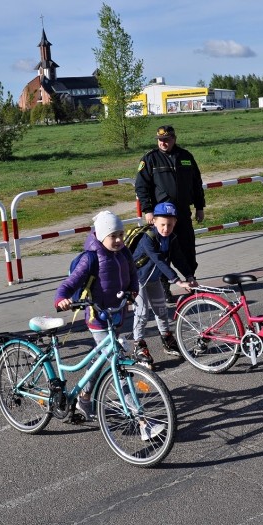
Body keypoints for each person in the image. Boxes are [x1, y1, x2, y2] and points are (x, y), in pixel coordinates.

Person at [55, 211, 139, 420]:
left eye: (121, 234)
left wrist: (133, 291)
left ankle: (84, 397)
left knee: (100, 361)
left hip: (117, 314)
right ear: (101, 236)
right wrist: (61, 298)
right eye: (113, 236)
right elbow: (70, 283)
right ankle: (140, 417)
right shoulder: (90, 258)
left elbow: (133, 275)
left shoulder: (124, 253)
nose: (119, 239)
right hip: (97, 317)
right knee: (116, 362)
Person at [134, 125, 205, 303]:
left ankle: (190, 281)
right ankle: (164, 287)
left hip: (182, 212)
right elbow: (141, 187)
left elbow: (196, 183)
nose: (163, 143)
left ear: (174, 139)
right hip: (161, 216)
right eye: (160, 140)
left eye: (166, 139)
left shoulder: (186, 157)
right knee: (162, 252)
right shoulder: (150, 159)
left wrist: (199, 206)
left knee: (187, 248)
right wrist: (148, 210)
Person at [130, 202, 197, 366]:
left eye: (169, 224)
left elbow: (178, 258)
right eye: (162, 224)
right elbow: (159, 261)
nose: (166, 228)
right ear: (154, 221)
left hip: (153, 279)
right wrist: (177, 281)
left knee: (161, 310)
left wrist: (189, 275)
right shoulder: (148, 238)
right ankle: (138, 345)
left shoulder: (171, 238)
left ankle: (167, 339)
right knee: (142, 312)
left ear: (175, 223)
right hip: (137, 280)